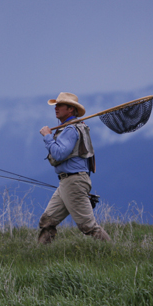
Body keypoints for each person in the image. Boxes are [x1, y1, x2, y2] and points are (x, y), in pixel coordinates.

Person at [38, 92, 110, 244]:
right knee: (47, 221)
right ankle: (39, 256)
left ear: (70, 109)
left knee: (88, 226)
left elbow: (58, 154)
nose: (56, 108)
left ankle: (113, 251)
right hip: (67, 181)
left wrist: (47, 136)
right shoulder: (74, 127)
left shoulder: (70, 130)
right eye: (55, 105)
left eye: (60, 105)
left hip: (73, 182)